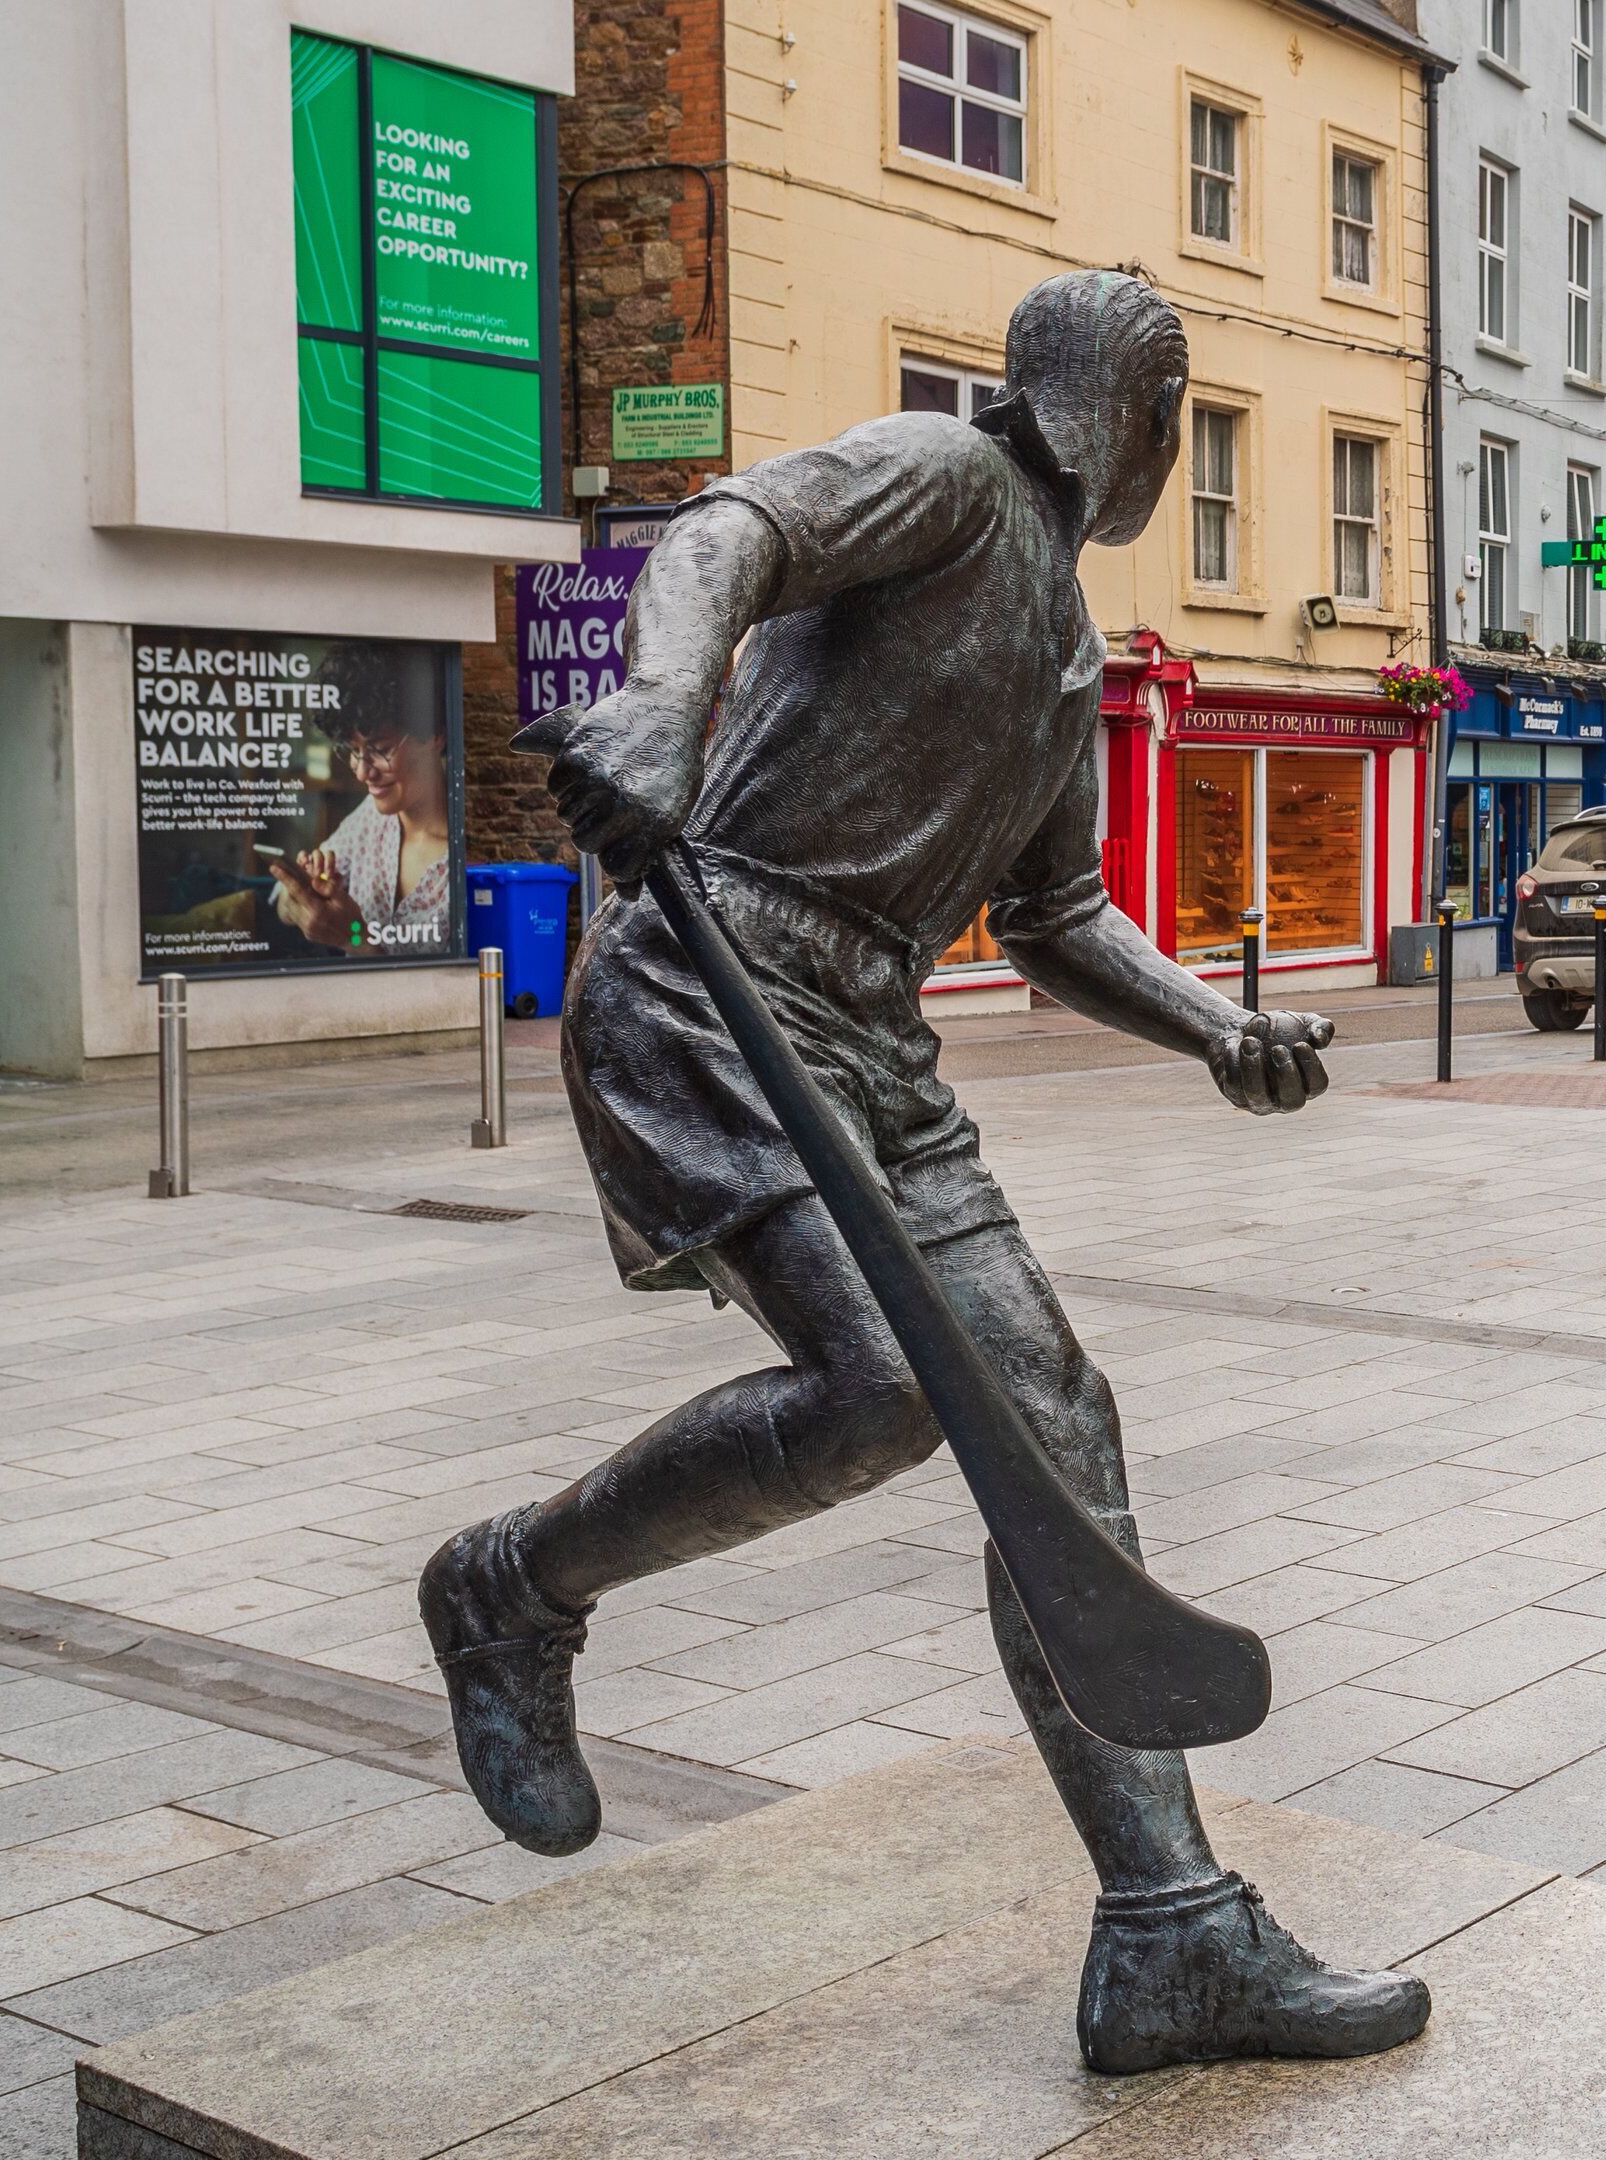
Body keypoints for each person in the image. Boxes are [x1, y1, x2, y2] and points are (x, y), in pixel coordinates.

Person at [425, 271, 1425, 2076]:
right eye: (1168, 409)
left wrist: (1216, 1029)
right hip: (715, 978)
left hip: (873, 1032)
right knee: (893, 1390)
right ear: (1129, 417)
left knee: (1060, 1428)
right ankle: (509, 1587)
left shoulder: (1066, 651)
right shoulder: (946, 483)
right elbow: (732, 528)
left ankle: (1171, 1939)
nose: (1163, 444)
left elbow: (1056, 917)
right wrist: (664, 705)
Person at [272, 714, 455, 953]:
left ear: (436, 736)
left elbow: (448, 986)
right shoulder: (371, 817)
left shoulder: (464, 857)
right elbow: (281, 902)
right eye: (353, 750)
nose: (361, 773)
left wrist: (352, 938)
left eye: (380, 750)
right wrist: (304, 896)